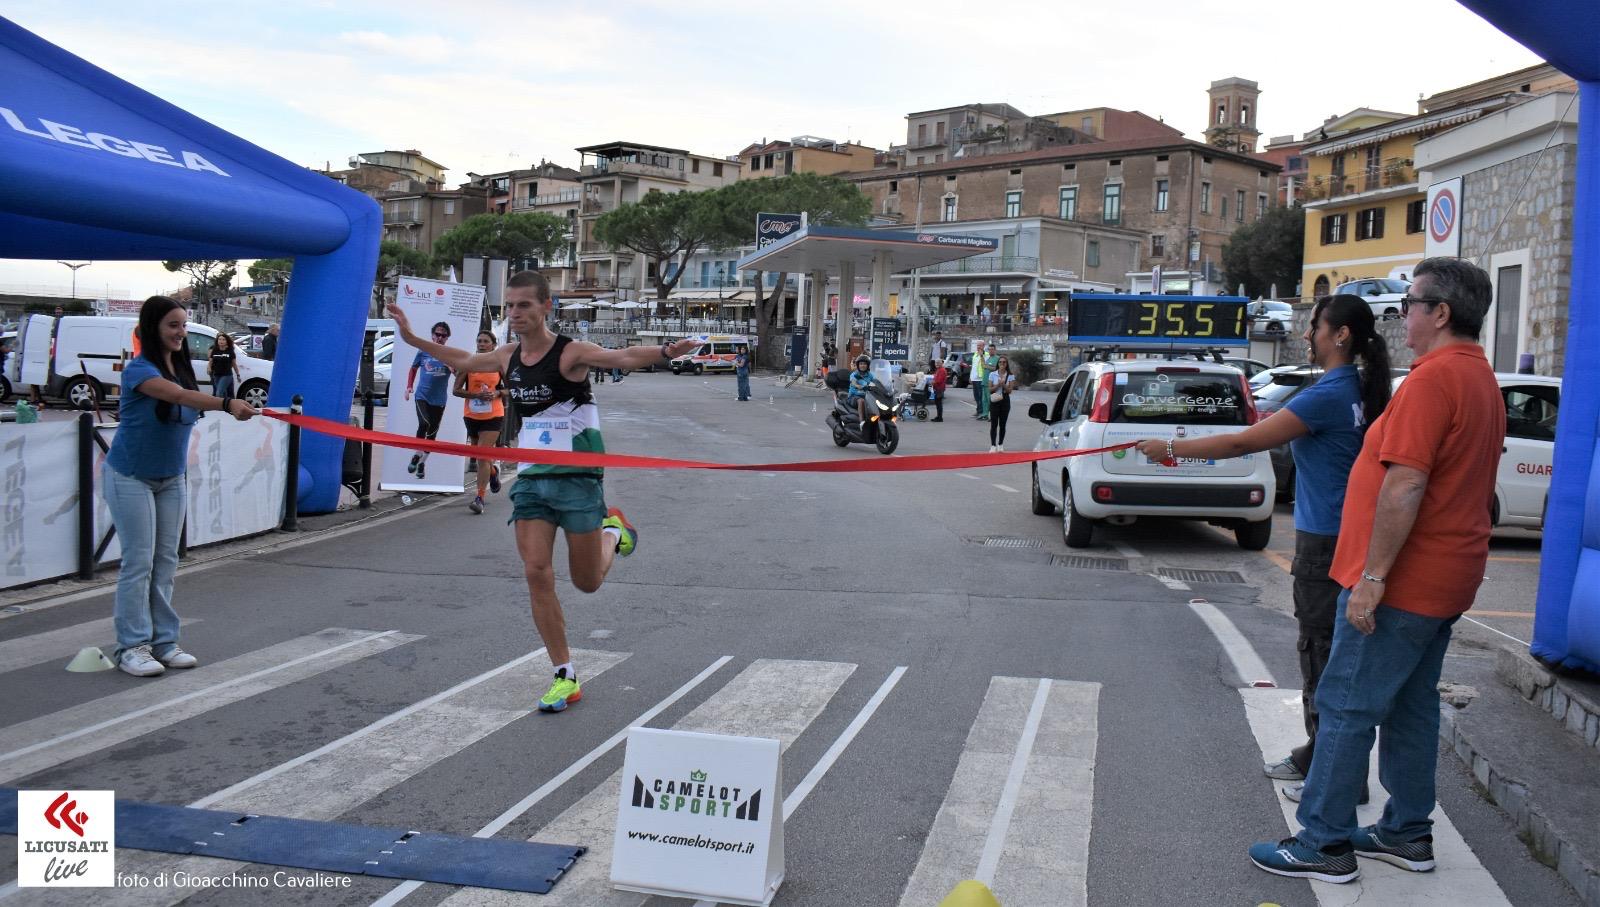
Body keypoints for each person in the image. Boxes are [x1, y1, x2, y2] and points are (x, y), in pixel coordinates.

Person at [1246, 258, 1505, 884]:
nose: (1402, 313)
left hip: (1406, 582)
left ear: (1439, 313)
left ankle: (1324, 840)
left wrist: (1374, 578)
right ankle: (1407, 831)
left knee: (1345, 702)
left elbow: (1406, 483)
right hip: (1447, 577)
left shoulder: (1433, 381)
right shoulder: (1479, 378)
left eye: (1411, 302)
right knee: (1411, 705)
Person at [388, 272, 699, 712]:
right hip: (533, 477)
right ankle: (564, 674)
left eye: (524, 306)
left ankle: (613, 530)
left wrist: (667, 351)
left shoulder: (570, 352)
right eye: (510, 306)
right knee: (536, 571)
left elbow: (622, 356)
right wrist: (412, 337)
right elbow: (461, 358)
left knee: (587, 582)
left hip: (577, 475)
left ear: (545, 307)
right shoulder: (505, 356)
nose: (515, 314)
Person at [1135, 294, 1392, 802]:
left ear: (1340, 335)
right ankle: (1320, 756)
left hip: (1327, 544)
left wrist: (1169, 449)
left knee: (1321, 656)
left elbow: (1243, 442)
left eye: (1316, 326)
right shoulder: (1362, 389)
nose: (1308, 335)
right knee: (1333, 656)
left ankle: (1335, 779)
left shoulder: (1329, 393)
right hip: (1352, 537)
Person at [103, 296, 258, 677]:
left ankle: (164, 643)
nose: (180, 332)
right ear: (153, 326)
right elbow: (178, 397)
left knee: (166, 561)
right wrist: (227, 403)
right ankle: (131, 647)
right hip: (130, 476)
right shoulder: (138, 371)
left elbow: (185, 394)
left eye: (184, 325)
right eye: (173, 325)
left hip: (171, 478)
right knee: (139, 561)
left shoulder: (184, 369)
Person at [454, 330, 506, 514]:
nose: (481, 344)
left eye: (485, 341)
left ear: (493, 344)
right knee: (479, 455)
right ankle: (493, 473)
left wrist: (497, 393)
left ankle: (480, 498)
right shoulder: (469, 364)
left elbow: (511, 388)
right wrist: (475, 395)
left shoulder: (499, 364)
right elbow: (456, 390)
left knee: (483, 455)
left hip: (494, 415)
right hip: (472, 415)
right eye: (479, 341)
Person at [404, 321, 453, 480]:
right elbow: (413, 368)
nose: (439, 338)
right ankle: (416, 456)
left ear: (447, 338)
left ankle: (422, 463)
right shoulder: (424, 350)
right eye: (437, 334)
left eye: (443, 335)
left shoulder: (450, 354)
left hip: (439, 400)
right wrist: (409, 387)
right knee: (424, 424)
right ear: (432, 335)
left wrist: (452, 368)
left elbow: (459, 375)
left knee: (432, 435)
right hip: (422, 396)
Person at [987, 355, 1017, 451]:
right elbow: (990, 389)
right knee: (994, 424)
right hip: (995, 400)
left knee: (1003, 424)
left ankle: (1000, 444)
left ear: (1006, 364)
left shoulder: (1010, 375)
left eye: (1004, 362)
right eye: (1000, 362)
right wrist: (998, 385)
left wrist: (1003, 384)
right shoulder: (992, 374)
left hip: (1005, 401)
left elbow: (1010, 391)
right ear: (998, 364)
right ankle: (993, 445)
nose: (1002, 364)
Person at [207, 332, 241, 402]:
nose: (221, 341)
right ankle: (226, 407)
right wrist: (209, 368)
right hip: (216, 374)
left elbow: (234, 364)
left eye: (223, 340)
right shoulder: (214, 350)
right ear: (217, 341)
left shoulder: (230, 351)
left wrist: (238, 375)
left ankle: (219, 407)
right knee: (224, 393)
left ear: (226, 341)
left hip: (227, 375)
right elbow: (210, 361)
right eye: (219, 339)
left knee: (218, 393)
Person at [846, 354, 878, 425]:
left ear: (868, 365)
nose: (862, 365)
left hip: (867, 396)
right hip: (854, 396)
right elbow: (853, 382)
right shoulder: (854, 375)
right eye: (861, 364)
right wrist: (858, 386)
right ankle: (862, 422)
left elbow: (876, 382)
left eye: (864, 364)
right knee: (861, 401)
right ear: (858, 365)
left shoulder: (870, 375)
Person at [970, 341, 989, 421]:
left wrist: (982, 355)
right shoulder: (975, 354)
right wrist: (970, 377)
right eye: (977, 345)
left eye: (980, 345)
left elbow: (985, 365)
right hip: (974, 378)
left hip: (980, 378)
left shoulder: (986, 355)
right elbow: (973, 366)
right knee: (976, 396)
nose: (978, 347)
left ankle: (982, 412)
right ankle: (978, 410)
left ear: (983, 346)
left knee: (981, 397)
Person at [930, 357, 947, 422]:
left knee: (939, 403)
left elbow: (939, 380)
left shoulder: (942, 370)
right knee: (937, 403)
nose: (936, 364)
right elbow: (936, 377)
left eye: (938, 363)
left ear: (941, 363)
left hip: (940, 388)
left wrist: (932, 382)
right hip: (937, 388)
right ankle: (938, 416)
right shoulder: (938, 369)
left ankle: (939, 418)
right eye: (935, 363)